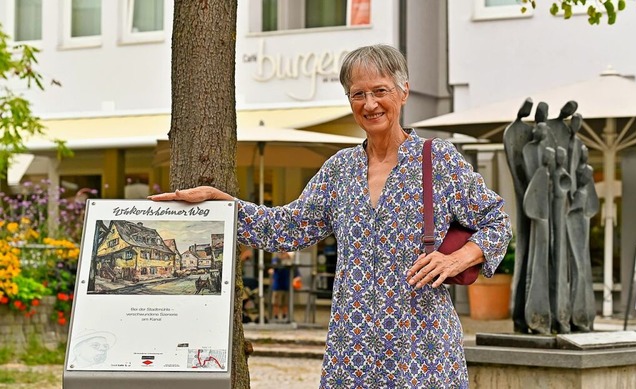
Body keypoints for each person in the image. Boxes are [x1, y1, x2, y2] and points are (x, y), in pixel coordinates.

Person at [149, 44, 512, 388]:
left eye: (380, 91)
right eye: (358, 94)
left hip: (422, 346)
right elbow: (286, 229)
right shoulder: (339, 169)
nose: (370, 104)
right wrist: (220, 203)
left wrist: (457, 258)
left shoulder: (439, 160)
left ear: (404, 92)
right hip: (352, 349)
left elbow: (497, 220)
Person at [268, 251, 301, 322]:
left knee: (285, 303)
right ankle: (275, 317)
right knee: (276, 303)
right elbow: (273, 268)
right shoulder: (276, 260)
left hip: (287, 285)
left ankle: (285, 316)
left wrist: (296, 279)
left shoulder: (291, 262)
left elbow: (297, 274)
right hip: (277, 285)